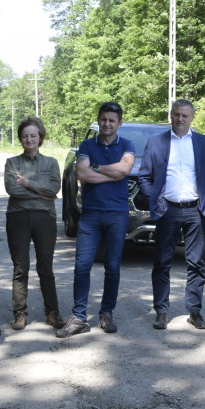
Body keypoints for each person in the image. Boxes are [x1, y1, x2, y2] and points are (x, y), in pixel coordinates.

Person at [138, 99, 205, 330]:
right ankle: (161, 312)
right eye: (176, 114)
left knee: (196, 262)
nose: (180, 119)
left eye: (185, 115)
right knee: (162, 262)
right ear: (171, 115)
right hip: (168, 210)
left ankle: (195, 312)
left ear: (192, 117)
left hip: (196, 210)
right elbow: (144, 177)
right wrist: (154, 199)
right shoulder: (156, 143)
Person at [57, 102, 135, 338]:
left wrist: (98, 167)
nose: (107, 124)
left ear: (119, 123)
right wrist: (112, 174)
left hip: (117, 214)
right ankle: (79, 317)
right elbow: (81, 173)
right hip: (90, 214)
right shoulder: (87, 144)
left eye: (112, 120)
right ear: (98, 121)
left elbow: (124, 171)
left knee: (112, 266)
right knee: (82, 265)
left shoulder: (128, 145)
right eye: (103, 119)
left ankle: (106, 313)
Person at [4, 116, 65, 330]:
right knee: (21, 267)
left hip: (44, 219)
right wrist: (41, 192)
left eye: (33, 135)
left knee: (45, 266)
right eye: (25, 136)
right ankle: (19, 313)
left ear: (40, 137)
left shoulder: (51, 163)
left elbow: (54, 189)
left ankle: (53, 312)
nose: (29, 139)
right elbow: (12, 189)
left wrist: (28, 183)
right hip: (18, 217)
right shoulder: (12, 163)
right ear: (21, 138)